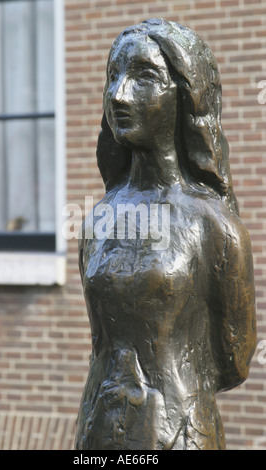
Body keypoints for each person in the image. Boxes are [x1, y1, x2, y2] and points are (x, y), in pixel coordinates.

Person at [75, 19, 257, 450]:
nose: (118, 95)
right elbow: (101, 342)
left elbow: (234, 361)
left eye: (143, 78)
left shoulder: (214, 227)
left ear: (185, 96)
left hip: (179, 432)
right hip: (97, 430)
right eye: (113, 78)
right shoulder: (97, 220)